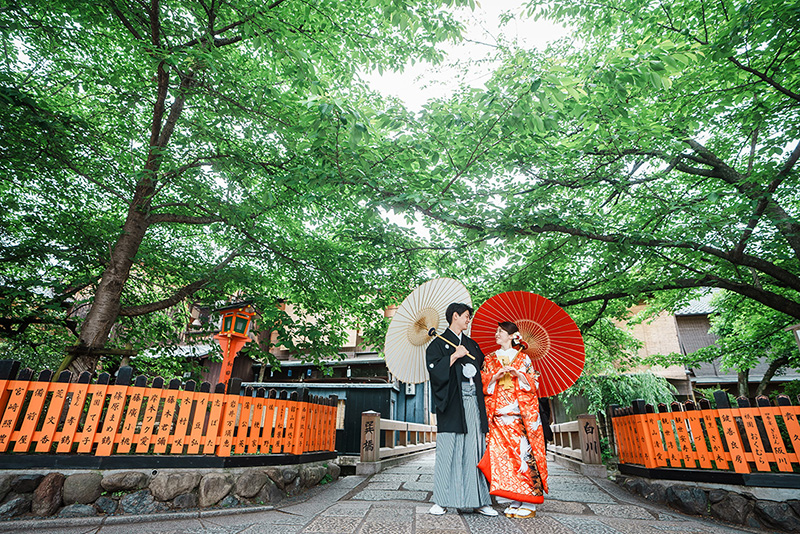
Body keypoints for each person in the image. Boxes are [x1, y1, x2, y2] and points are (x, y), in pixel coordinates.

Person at [425, 302, 498, 517]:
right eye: (466, 316)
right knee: (449, 448)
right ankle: (441, 500)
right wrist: (454, 356)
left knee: (474, 448)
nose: (468, 320)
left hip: (473, 402)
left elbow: (484, 371)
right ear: (454, 316)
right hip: (451, 404)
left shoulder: (473, 345)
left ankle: (480, 501)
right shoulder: (436, 345)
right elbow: (434, 373)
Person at [479, 321, 548, 518]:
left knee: (523, 457)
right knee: (505, 460)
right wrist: (494, 377)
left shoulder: (523, 359)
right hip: (498, 417)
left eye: (500, 331)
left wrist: (520, 375)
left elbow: (533, 386)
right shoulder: (489, 359)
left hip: (518, 417)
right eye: (497, 331)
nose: (496, 334)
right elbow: (483, 384)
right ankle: (516, 499)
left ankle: (531, 502)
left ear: (512, 336)